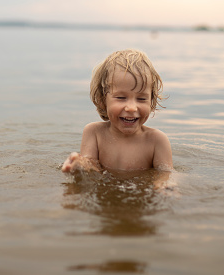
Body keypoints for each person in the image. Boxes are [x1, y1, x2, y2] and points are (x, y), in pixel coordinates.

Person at [62, 49, 174, 189]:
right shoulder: (94, 132)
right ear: (103, 100)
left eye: (141, 98)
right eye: (121, 98)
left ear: (151, 102)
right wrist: (78, 165)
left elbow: (166, 174)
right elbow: (90, 167)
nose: (132, 108)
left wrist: (164, 185)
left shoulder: (157, 140)